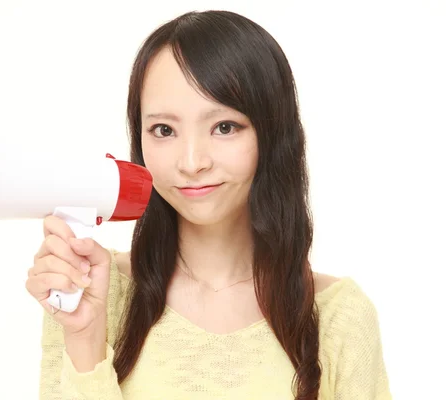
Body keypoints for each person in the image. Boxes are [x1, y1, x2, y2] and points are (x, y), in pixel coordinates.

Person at [25, 9, 392, 400]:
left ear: (272, 133)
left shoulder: (338, 318)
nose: (192, 162)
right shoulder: (95, 291)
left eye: (224, 127)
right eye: (164, 130)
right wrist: (84, 338)